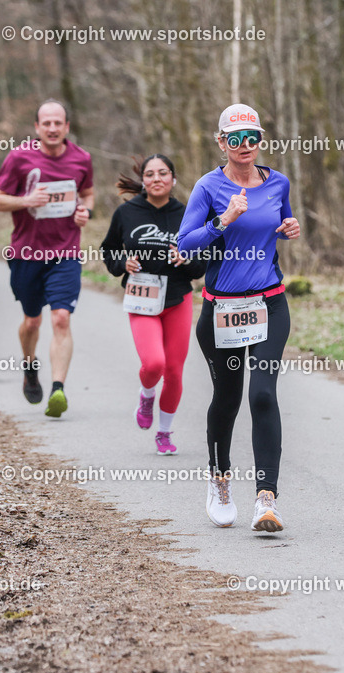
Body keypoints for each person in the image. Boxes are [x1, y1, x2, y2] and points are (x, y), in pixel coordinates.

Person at [178, 103, 301, 532]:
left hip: (269, 302)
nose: (244, 146)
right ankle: (219, 480)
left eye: (252, 138)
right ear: (221, 142)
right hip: (222, 309)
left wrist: (289, 227)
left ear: (260, 141)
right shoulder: (207, 187)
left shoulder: (278, 182)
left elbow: (281, 221)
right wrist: (222, 221)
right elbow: (185, 245)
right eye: (235, 138)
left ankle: (266, 500)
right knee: (228, 399)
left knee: (263, 394)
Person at [0, 99, 94, 418]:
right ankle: (29, 364)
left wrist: (85, 211)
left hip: (65, 252)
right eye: (46, 123)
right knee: (32, 320)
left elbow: (88, 192)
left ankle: (58, 389)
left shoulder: (82, 158)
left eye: (58, 123)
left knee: (61, 318)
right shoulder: (19, 158)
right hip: (27, 253)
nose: (52, 128)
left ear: (66, 127)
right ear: (37, 128)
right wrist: (26, 201)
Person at [102, 155, 206, 455]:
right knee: (154, 364)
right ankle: (147, 394)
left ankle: (164, 431)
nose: (156, 178)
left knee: (173, 371)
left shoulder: (187, 214)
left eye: (163, 173)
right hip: (142, 298)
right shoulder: (127, 213)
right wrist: (123, 262)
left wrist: (186, 259)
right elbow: (108, 250)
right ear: (143, 181)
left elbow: (201, 264)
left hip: (178, 298)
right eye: (150, 174)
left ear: (173, 179)